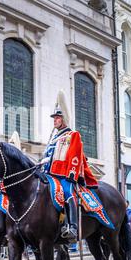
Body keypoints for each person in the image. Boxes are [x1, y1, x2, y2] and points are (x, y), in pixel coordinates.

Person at [40, 90, 98, 242]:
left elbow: (74, 156)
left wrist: (71, 176)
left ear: (63, 119)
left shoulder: (73, 135)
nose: (55, 120)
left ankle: (72, 226)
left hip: (64, 175)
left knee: (67, 192)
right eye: (54, 118)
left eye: (57, 118)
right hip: (49, 174)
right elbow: (48, 156)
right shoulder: (53, 138)